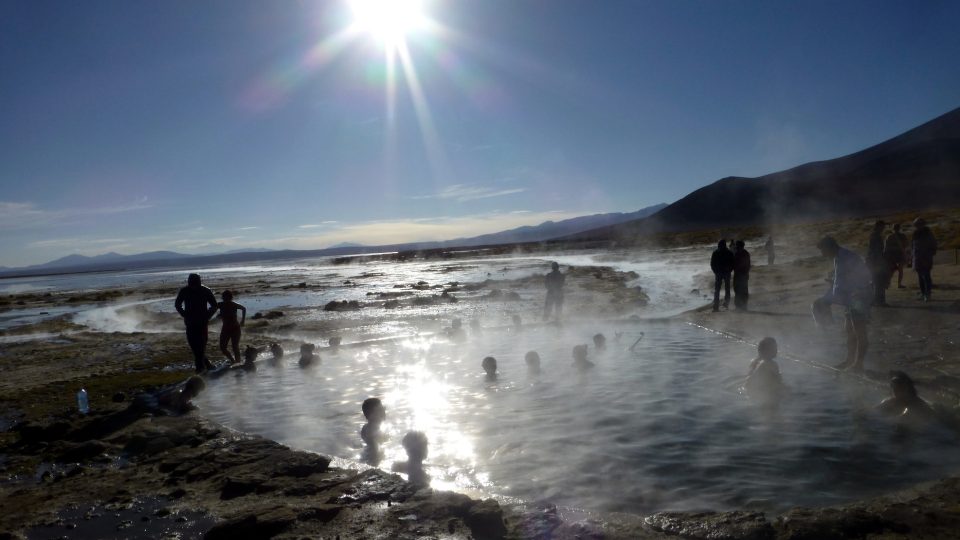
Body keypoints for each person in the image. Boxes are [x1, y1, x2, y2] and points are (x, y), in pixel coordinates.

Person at [813, 236, 872, 373]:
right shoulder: (838, 258)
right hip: (850, 300)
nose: (822, 254)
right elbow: (841, 282)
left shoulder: (847, 257)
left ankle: (859, 364)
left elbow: (865, 275)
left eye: (823, 251)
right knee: (849, 331)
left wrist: (858, 291)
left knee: (859, 332)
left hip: (858, 298)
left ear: (830, 247)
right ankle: (850, 360)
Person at [174, 273, 219, 373]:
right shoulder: (184, 291)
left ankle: (199, 368)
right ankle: (206, 364)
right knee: (194, 345)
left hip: (202, 322)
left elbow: (215, 305)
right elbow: (177, 304)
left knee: (201, 344)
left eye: (195, 282)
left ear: (199, 281)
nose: (193, 284)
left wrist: (207, 316)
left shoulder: (205, 290)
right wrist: (184, 314)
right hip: (190, 322)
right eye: (192, 282)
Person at [132, 375, 206, 416]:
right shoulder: (186, 394)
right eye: (199, 391)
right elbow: (183, 404)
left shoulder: (183, 392)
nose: (198, 393)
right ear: (195, 388)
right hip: (156, 403)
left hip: (159, 400)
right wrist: (194, 407)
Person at [744, 337, 782, 403]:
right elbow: (779, 383)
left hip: (750, 390)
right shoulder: (771, 364)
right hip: (763, 394)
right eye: (774, 348)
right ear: (767, 350)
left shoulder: (754, 361)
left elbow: (749, 380)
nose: (776, 351)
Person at [911, 217, 937, 302]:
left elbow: (933, 244)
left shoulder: (928, 233)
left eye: (919, 224)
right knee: (920, 277)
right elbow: (913, 246)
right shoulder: (915, 234)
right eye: (917, 225)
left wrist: (930, 253)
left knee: (926, 276)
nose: (918, 226)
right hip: (918, 258)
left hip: (926, 257)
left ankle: (928, 294)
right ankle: (923, 294)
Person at [218, 290, 247, 364]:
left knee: (235, 347)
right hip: (225, 329)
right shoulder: (220, 304)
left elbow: (244, 308)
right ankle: (232, 360)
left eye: (228, 298)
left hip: (235, 329)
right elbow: (212, 309)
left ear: (230, 298)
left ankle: (238, 362)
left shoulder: (234, 304)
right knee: (222, 348)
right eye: (224, 298)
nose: (226, 300)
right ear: (223, 298)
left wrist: (243, 320)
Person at [867, 221, 891, 306]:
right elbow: (876, 251)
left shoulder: (874, 236)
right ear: (878, 227)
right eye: (882, 227)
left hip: (874, 261)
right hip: (876, 262)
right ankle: (880, 301)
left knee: (875, 281)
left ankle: (874, 300)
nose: (883, 228)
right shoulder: (876, 236)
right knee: (879, 282)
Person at [710, 240, 735, 312]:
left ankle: (716, 306)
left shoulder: (716, 253)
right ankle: (725, 305)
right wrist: (729, 270)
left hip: (720, 273)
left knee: (717, 290)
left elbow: (712, 264)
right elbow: (732, 263)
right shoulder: (729, 253)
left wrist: (716, 272)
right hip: (724, 273)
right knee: (726, 289)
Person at [733, 240, 751, 311]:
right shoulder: (743, 253)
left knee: (741, 290)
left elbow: (746, 265)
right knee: (738, 290)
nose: (736, 247)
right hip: (741, 274)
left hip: (741, 275)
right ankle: (740, 306)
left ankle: (742, 306)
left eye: (737, 246)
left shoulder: (741, 254)